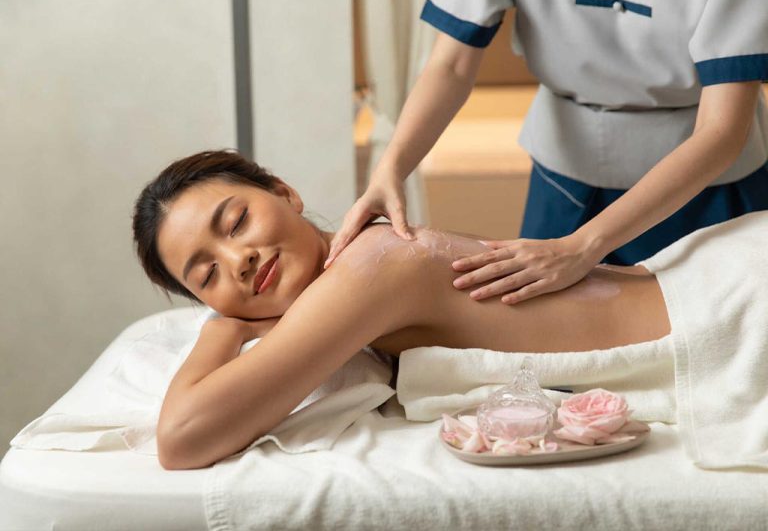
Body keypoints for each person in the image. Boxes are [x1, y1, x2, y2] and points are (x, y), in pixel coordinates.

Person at [131, 150, 711, 470]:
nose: (239, 260)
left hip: (718, 312)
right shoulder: (358, 264)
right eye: (207, 276)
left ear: (286, 193)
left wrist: (222, 330)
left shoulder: (368, 267)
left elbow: (181, 439)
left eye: (237, 223)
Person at [325, 0, 768, 306]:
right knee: (551, 362)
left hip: (710, 183)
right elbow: (451, 65)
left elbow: (721, 130)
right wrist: (391, 168)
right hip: (565, 179)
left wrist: (583, 246)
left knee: (716, 341)